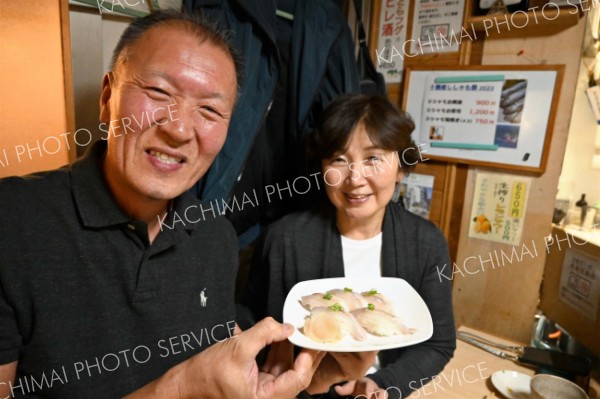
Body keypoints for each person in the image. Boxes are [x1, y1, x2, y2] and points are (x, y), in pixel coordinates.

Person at [0, 10, 375, 399]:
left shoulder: (215, 236)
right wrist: (178, 389)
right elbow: (196, 384)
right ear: (108, 96)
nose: (178, 129)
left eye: (210, 111)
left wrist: (314, 379)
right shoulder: (13, 221)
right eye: (159, 93)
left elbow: (223, 377)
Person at [241, 94, 456, 399]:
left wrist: (384, 383)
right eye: (339, 159)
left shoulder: (426, 243)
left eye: (373, 158)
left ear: (401, 168)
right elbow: (249, 320)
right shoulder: (284, 239)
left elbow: (438, 343)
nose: (355, 178)